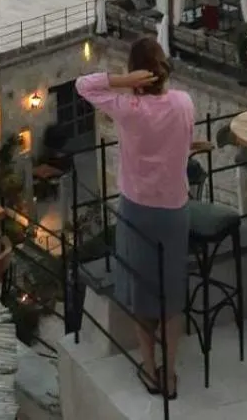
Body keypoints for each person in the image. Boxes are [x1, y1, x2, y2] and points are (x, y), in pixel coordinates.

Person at [76, 38, 194, 401]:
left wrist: (124, 82)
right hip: (175, 208)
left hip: (138, 209)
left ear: (137, 72)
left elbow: (82, 85)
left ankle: (148, 366)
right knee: (171, 294)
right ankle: (170, 373)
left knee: (143, 292)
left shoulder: (127, 108)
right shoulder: (184, 103)